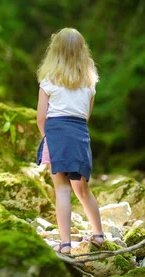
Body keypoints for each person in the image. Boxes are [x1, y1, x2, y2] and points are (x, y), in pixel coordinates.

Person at [35, 28, 104, 254]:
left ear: (54, 52)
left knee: (62, 190)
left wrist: (48, 139)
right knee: (82, 189)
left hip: (55, 134)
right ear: (83, 53)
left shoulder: (48, 81)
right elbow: (86, 116)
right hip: (79, 135)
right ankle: (99, 234)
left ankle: (65, 243)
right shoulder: (89, 85)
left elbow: (40, 117)